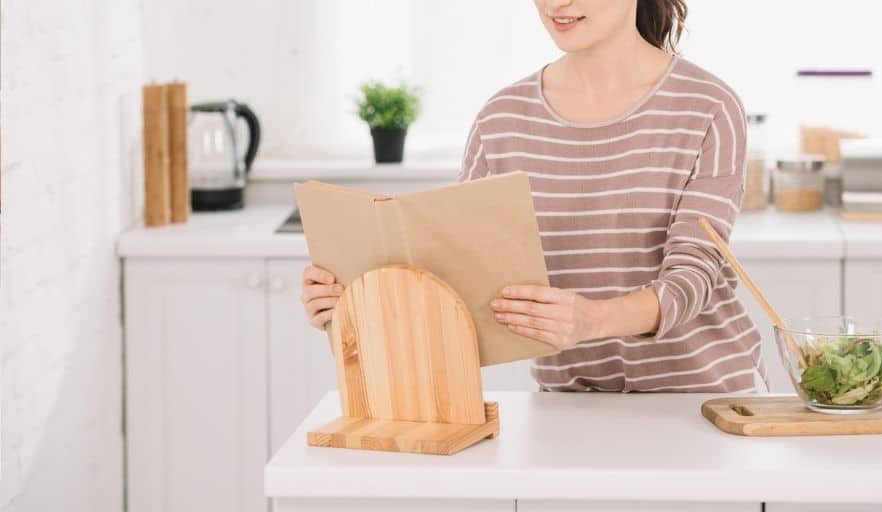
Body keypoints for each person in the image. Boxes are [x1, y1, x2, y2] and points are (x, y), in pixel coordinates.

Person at [301, 0, 765, 393]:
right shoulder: (502, 119)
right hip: (569, 405)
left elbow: (695, 272)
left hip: (705, 400)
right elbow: (459, 280)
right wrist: (355, 301)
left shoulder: (708, 106)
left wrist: (593, 320)